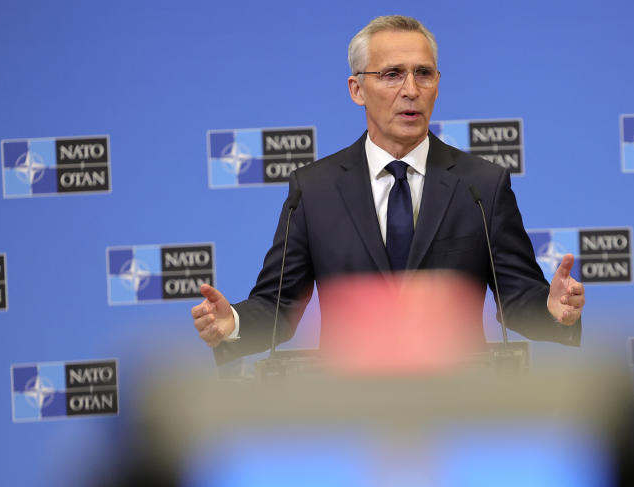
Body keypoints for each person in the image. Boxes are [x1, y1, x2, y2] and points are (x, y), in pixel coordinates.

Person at [192, 15, 585, 363]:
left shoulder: (481, 185)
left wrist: (553, 310)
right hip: (350, 407)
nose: (411, 89)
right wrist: (233, 324)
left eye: (424, 73)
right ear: (357, 89)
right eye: (392, 74)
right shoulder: (314, 190)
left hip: (459, 405)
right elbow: (279, 307)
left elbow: (518, 300)